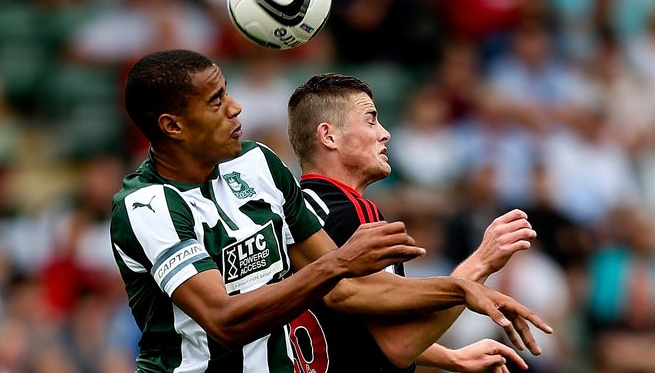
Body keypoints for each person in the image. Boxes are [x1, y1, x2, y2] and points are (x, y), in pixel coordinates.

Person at [110, 49, 552, 372]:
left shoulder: (258, 164)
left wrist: (460, 290)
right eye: (215, 101)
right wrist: (343, 261)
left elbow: (344, 294)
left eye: (227, 92)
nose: (235, 107)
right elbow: (226, 320)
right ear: (172, 126)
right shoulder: (148, 207)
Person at [286, 73, 545, 372]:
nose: (385, 134)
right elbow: (397, 345)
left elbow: (355, 329)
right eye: (371, 120)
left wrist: (451, 357)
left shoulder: (300, 211)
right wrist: (478, 266)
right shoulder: (353, 211)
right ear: (329, 136)